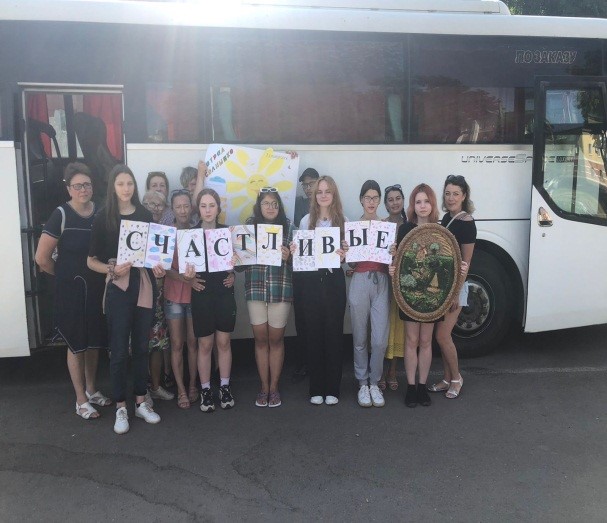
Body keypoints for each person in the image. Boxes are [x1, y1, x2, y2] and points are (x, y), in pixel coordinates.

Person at [87, 164, 165, 434]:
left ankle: (141, 402)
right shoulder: (103, 217)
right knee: (119, 350)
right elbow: (90, 260)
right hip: (118, 288)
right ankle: (121, 406)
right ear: (113, 186)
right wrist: (111, 269)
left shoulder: (144, 214)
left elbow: (153, 253)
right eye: (120, 183)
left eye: (129, 183)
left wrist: (158, 266)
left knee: (142, 346)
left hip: (143, 284)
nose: (125, 188)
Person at [35, 162, 111, 420]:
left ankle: (91, 389)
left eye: (86, 184)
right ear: (68, 188)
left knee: (94, 342)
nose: (83, 190)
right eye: (77, 186)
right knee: (76, 344)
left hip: (97, 287)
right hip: (71, 290)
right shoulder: (61, 214)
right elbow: (42, 258)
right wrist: (63, 277)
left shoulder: (100, 212)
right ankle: (80, 400)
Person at [291, 176, 348, 406]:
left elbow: (348, 255)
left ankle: (332, 388)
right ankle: (316, 387)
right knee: (313, 333)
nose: (323, 195)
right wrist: (295, 250)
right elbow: (302, 253)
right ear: (314, 196)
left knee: (333, 334)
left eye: (328, 191)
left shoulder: (343, 220)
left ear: (334, 194)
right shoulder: (306, 220)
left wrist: (345, 253)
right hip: (311, 282)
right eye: (319, 192)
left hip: (334, 281)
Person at [238, 188, 293, 408]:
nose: (270, 207)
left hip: (280, 289)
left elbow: (302, 263)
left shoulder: (289, 227)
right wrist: (237, 257)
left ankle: (274, 388)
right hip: (256, 289)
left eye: (274, 203)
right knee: (260, 340)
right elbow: (239, 266)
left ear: (279, 206)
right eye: (266, 203)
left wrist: (289, 257)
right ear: (258, 207)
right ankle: (263, 386)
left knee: (276, 340)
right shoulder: (249, 228)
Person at [184, 188, 236, 412]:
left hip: (224, 292)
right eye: (203, 206)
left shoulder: (227, 232)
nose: (207, 210)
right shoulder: (190, 234)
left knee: (224, 342)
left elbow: (237, 264)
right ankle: (205, 389)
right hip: (202, 293)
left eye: (211, 205)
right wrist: (189, 279)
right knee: (205, 344)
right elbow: (186, 270)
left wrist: (234, 273)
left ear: (218, 208)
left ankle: (224, 386)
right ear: (198, 208)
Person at [388, 183, 439, 407]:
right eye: (418, 202)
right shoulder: (405, 230)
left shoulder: (440, 231)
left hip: (433, 294)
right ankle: (410, 386)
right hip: (409, 293)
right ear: (413, 205)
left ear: (432, 204)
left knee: (426, 340)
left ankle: (422, 386)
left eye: (426, 201)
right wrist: (393, 267)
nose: (422, 206)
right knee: (411, 340)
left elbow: (446, 264)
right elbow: (399, 263)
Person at [428, 174, 476, 399]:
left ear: (464, 196)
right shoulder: (448, 217)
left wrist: (456, 292)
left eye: (456, 194)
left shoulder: (467, 223)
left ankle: (456, 378)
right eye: (447, 193)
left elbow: (466, 263)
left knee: (442, 336)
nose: (451, 198)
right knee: (442, 335)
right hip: (443, 287)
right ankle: (446, 379)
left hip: (456, 288)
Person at [348, 180, 390, 408]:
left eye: (375, 198)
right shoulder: (354, 226)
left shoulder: (386, 226)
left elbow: (391, 260)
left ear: (379, 200)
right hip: (360, 279)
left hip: (381, 280)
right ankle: (362, 382)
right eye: (367, 198)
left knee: (380, 339)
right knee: (360, 336)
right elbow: (351, 262)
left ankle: (375, 381)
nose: (371, 202)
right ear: (361, 200)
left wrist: (393, 251)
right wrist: (347, 252)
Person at [164, 190, 199, 409]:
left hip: (195, 295)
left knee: (193, 342)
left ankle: (193, 385)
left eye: (186, 206)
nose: (183, 210)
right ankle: (181, 389)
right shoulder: (167, 233)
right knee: (177, 344)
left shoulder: (198, 231)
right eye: (178, 207)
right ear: (173, 209)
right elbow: (164, 268)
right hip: (174, 294)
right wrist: (184, 279)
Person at [141, 190, 175, 404]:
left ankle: (155, 386)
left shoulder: (165, 233)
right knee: (138, 343)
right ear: (143, 205)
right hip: (138, 293)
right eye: (150, 204)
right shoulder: (136, 227)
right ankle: (141, 389)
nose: (154, 208)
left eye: (159, 205)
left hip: (159, 293)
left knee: (157, 342)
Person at [292, 167, 319, 380]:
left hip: (322, 272)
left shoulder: (328, 205)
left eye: (311, 184)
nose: (308, 188)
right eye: (305, 185)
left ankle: (317, 361)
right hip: (301, 271)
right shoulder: (297, 205)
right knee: (301, 318)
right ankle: (303, 361)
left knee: (319, 318)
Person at [380, 184, 407, 391]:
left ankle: (392, 372)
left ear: (403, 201)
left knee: (398, 328)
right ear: (386, 204)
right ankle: (380, 372)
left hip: (404, 285)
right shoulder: (381, 225)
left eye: (398, 198)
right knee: (382, 327)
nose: (395, 202)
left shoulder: (410, 226)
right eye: (390, 199)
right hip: (383, 281)